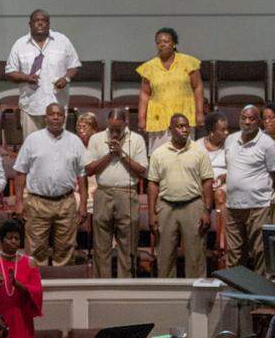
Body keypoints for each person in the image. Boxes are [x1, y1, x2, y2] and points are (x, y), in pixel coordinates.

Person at [12, 102, 87, 266]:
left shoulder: (75, 141)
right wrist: (18, 202)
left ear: (64, 118)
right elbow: (20, 172)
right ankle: (36, 287)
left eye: (59, 114)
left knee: (66, 249)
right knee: (35, 250)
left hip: (66, 202)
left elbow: (82, 176)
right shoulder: (33, 140)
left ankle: (63, 288)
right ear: (45, 117)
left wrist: (83, 205)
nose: (55, 117)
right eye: (52, 114)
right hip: (38, 202)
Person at [147, 113, 214, 279]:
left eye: (186, 126)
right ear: (170, 130)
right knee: (165, 255)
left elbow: (207, 182)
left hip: (193, 205)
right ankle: (166, 297)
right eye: (180, 126)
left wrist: (206, 210)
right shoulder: (159, 153)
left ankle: (196, 296)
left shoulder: (199, 152)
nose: (185, 129)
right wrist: (151, 214)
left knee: (195, 255)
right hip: (166, 206)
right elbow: (152, 185)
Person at [84, 108, 148, 278]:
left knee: (128, 245)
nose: (113, 133)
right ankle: (101, 286)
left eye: (117, 130)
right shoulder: (96, 139)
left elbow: (142, 172)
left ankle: (125, 287)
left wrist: (121, 154)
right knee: (101, 245)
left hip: (126, 193)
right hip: (103, 193)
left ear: (126, 124)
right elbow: (89, 170)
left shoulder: (137, 139)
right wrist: (109, 155)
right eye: (111, 129)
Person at [224, 105, 275, 272]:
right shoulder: (230, 140)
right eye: (244, 118)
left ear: (259, 121)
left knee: (260, 252)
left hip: (259, 207)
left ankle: (259, 296)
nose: (247, 122)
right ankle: (234, 293)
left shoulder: (268, 145)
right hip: (233, 206)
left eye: (252, 118)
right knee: (234, 253)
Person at [4, 9, 81, 137]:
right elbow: (10, 71)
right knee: (33, 149)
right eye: (36, 21)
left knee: (57, 149)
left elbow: (75, 65)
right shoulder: (20, 45)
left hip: (57, 106)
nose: (40, 24)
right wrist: (26, 78)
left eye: (43, 21)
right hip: (31, 106)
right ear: (30, 24)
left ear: (48, 24)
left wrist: (66, 79)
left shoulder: (62, 41)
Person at [137, 27, 205, 152]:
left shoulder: (188, 62)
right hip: (158, 116)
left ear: (174, 43)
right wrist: (142, 118)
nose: (162, 44)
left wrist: (199, 112)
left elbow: (198, 87)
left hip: (184, 114)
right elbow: (145, 94)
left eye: (166, 41)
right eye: (159, 42)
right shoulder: (149, 67)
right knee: (160, 155)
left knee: (186, 154)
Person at [196, 111, 228, 207]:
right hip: (201, 182)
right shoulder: (197, 146)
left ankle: (221, 222)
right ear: (211, 132)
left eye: (227, 129)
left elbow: (236, 169)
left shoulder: (230, 145)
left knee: (220, 195)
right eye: (223, 130)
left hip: (223, 183)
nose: (227, 132)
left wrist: (223, 177)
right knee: (198, 195)